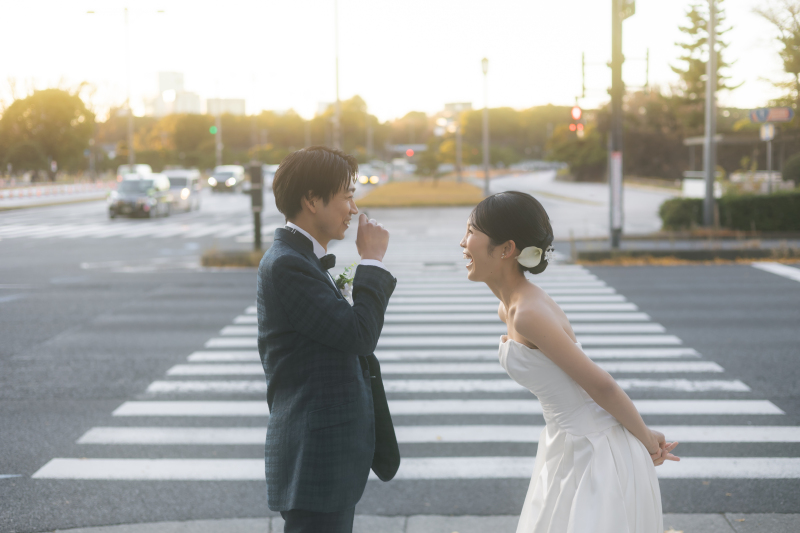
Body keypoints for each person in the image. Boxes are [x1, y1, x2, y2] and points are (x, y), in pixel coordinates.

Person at [459, 191, 679, 533]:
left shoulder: (528, 313)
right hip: (565, 443)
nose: (463, 242)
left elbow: (599, 384)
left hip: (595, 450)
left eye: (472, 232)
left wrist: (647, 440)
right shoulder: (510, 308)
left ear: (507, 249)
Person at [257, 146, 400, 533]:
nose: (353, 209)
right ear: (312, 201)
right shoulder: (288, 263)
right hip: (316, 456)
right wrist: (371, 261)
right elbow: (359, 335)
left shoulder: (298, 258)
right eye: (347, 196)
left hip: (325, 453)